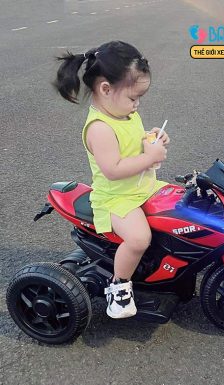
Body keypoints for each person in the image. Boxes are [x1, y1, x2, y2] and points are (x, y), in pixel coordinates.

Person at [54, 41, 169, 318]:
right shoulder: (100, 128)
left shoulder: (124, 113)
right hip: (117, 198)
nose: (137, 104)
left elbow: (132, 143)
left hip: (142, 187)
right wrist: (149, 157)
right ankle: (119, 288)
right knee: (139, 239)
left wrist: (152, 138)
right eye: (133, 98)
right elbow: (113, 169)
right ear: (106, 89)